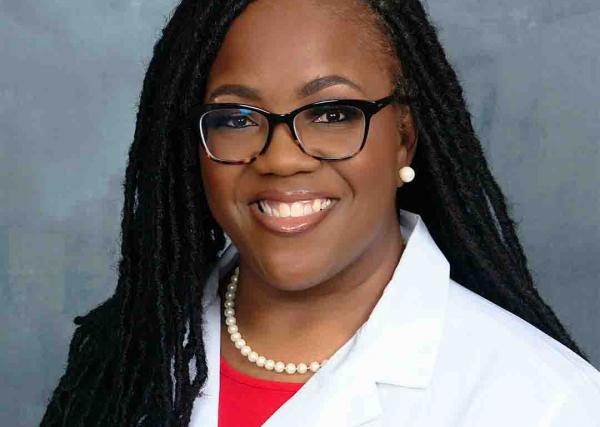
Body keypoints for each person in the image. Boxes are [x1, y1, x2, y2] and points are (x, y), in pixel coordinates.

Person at [41, 0, 600, 426]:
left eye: (331, 113)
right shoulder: (125, 353)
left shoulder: (547, 403)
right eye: (236, 117)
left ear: (404, 137)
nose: (281, 159)